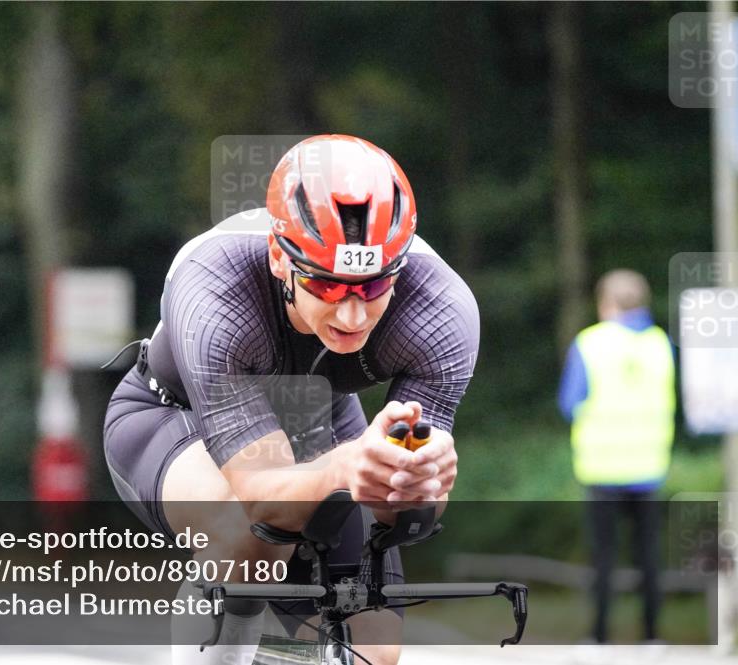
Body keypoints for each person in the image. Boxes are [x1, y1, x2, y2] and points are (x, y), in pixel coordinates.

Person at [103, 134, 480, 665]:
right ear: (281, 259)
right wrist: (345, 469)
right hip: (174, 415)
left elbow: (408, 516)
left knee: (375, 650)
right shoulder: (214, 290)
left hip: (322, 420)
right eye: (327, 286)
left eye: (374, 287)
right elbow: (263, 497)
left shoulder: (440, 312)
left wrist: (415, 482)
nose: (353, 315)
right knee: (252, 540)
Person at [558, 269, 676, 644]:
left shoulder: (590, 343)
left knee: (603, 557)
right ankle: (652, 637)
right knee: (649, 556)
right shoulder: (661, 344)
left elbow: (569, 403)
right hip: (649, 466)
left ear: (606, 303)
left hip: (602, 467)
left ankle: (599, 637)